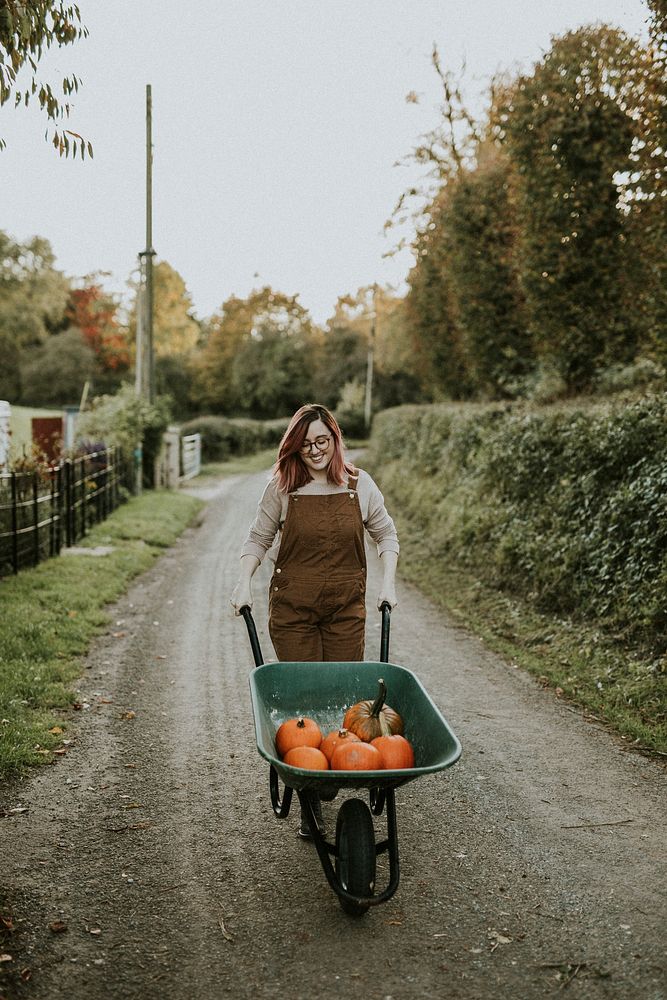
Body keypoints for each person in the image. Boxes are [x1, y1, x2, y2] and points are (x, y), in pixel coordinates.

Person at [231, 403, 399, 838]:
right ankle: (311, 799)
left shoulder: (359, 486)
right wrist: (242, 582)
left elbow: (386, 533)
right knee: (304, 707)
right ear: (295, 447)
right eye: (305, 445)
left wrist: (388, 583)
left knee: (344, 700)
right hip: (294, 612)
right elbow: (258, 537)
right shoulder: (283, 488)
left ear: (336, 439)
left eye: (322, 441)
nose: (315, 451)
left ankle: (334, 774)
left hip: (346, 609)